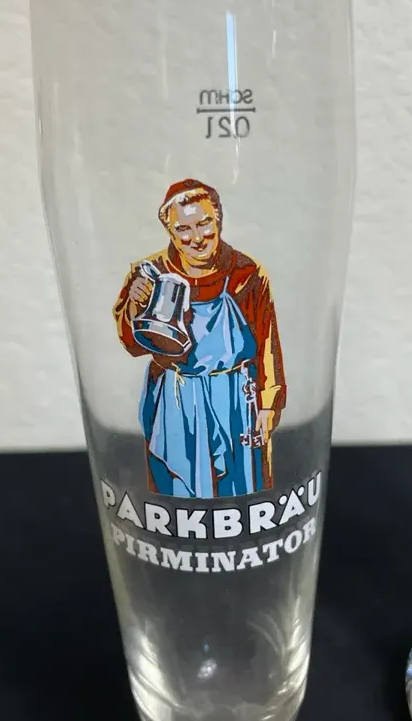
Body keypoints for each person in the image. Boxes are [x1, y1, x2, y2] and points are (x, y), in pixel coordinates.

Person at [113, 179, 286, 498]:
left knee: (239, 489)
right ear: (170, 231)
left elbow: (267, 344)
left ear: (218, 219)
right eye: (183, 229)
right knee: (181, 490)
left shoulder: (247, 274)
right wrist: (135, 304)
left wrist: (268, 404)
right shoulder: (150, 273)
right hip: (178, 399)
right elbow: (132, 345)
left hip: (236, 399)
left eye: (204, 223)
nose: (196, 238)